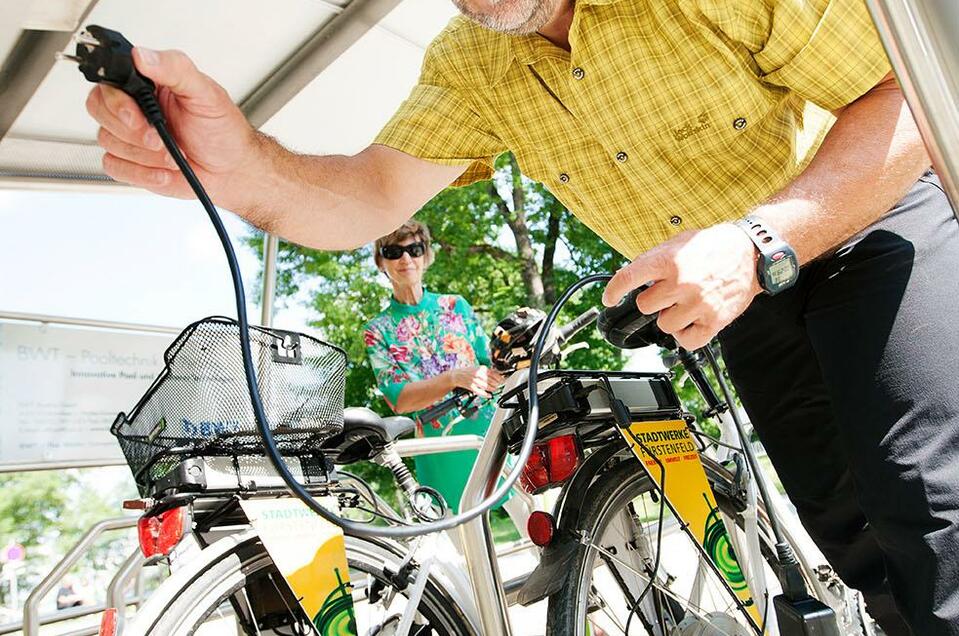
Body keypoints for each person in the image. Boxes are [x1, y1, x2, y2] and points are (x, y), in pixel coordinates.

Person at [85, 0, 958, 632]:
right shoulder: (469, 61)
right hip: (738, 298)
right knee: (851, 532)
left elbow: (905, 88)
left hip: (866, 221)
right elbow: (364, 194)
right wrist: (239, 165)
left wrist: (757, 238)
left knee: (928, 508)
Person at [363, 219, 504, 513]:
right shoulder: (377, 329)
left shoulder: (457, 306)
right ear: (381, 262)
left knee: (529, 519)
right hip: (437, 447)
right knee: (461, 538)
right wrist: (453, 377)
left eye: (414, 249)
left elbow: (493, 366)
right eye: (393, 251)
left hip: (487, 431)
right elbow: (398, 400)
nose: (405, 259)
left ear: (426, 255)